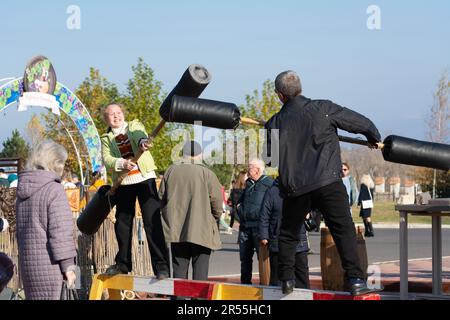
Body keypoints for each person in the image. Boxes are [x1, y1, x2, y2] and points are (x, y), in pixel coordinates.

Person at [264, 70, 381, 295]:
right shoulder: (323, 108)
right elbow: (361, 122)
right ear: (300, 88)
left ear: (280, 95)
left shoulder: (275, 123)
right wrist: (372, 136)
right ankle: (356, 280)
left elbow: (271, 160)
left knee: (288, 233)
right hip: (328, 182)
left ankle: (286, 280)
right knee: (343, 230)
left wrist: (272, 132)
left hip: (296, 187)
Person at [101, 103, 169, 278]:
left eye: (118, 113)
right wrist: (122, 163)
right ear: (106, 119)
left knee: (151, 221)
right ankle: (123, 263)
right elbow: (107, 159)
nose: (116, 116)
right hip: (124, 183)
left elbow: (140, 135)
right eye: (111, 115)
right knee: (123, 223)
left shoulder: (134, 125)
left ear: (123, 113)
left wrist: (142, 142)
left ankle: (161, 266)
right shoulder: (106, 138)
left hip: (145, 179)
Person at [16, 140, 77, 300]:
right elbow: (60, 233)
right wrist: (69, 267)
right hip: (52, 266)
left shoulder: (22, 192)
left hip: (29, 266)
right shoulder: (54, 189)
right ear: (55, 163)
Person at [159, 141, 223, 282]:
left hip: (176, 229)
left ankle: (179, 300)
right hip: (202, 230)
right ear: (200, 155)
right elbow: (217, 204)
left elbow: (161, 198)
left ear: (183, 154)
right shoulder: (208, 174)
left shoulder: (171, 171)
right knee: (200, 272)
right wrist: (213, 217)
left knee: (179, 271)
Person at [259, 178, 310, 288]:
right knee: (278, 276)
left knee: (301, 274)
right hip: (277, 239)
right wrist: (264, 236)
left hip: (299, 238)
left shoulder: (302, 187)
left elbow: (313, 207)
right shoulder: (272, 192)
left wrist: (309, 214)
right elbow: (264, 216)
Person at [237, 159, 273, 284]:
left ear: (257, 170)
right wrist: (240, 210)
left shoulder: (269, 184)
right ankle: (245, 285)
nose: (248, 170)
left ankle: (267, 286)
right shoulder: (247, 184)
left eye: (250, 167)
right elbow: (238, 201)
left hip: (259, 228)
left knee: (263, 259)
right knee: (245, 259)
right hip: (245, 228)